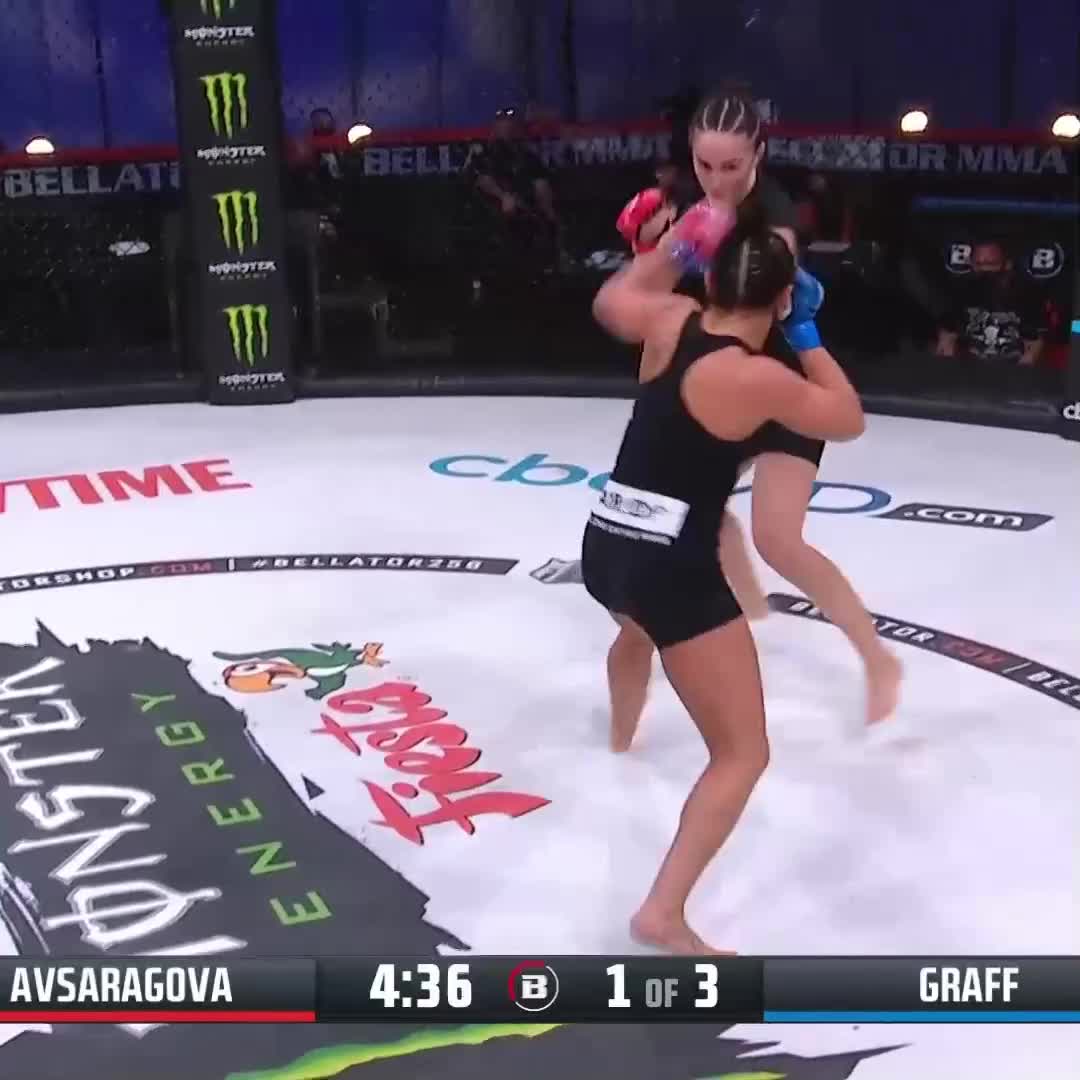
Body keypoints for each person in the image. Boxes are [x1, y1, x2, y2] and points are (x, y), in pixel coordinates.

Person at [585, 199, 865, 954]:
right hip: (670, 567)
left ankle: (619, 738)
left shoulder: (670, 319)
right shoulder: (754, 376)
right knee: (743, 754)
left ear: (709, 280)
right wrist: (806, 334)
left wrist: (677, 246)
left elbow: (611, 300)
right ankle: (661, 913)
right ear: (781, 297)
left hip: (607, 543)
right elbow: (845, 418)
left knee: (636, 631)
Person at [617, 83, 901, 724]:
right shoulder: (690, 202)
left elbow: (763, 282)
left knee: (780, 539)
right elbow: (657, 300)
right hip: (716, 382)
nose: (716, 179)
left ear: (758, 155)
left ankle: (877, 657)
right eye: (704, 165)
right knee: (680, 503)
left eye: (731, 166)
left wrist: (685, 244)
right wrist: (650, 250)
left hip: (777, 381)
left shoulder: (775, 216)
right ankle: (745, 602)